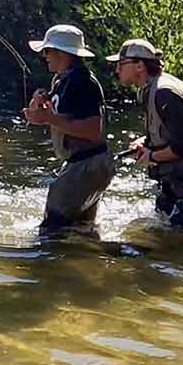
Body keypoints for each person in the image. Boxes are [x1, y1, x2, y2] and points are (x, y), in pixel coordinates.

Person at [107, 39, 183, 229]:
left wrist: (152, 156)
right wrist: (145, 143)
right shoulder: (151, 88)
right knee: (164, 222)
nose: (117, 71)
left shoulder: (165, 92)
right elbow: (170, 132)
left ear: (139, 66)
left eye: (121, 65)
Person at [23, 24, 114, 231]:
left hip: (86, 165)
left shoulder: (82, 82)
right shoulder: (62, 80)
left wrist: (48, 118)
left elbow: (93, 130)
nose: (44, 56)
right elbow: (51, 118)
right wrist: (38, 106)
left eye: (47, 51)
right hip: (84, 165)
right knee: (80, 231)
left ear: (61, 53)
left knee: (51, 230)